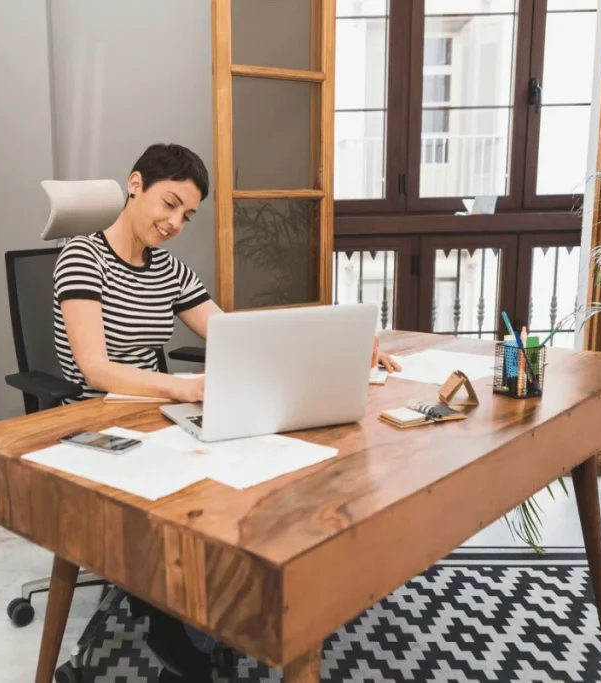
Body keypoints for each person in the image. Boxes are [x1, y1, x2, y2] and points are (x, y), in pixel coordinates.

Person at [51, 142, 399, 681]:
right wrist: (186, 389)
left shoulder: (165, 268)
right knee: (182, 486)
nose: (174, 223)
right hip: (94, 418)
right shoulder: (82, 255)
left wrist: (347, 347)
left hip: (153, 411)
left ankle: (222, 601)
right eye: (168, 204)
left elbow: (237, 336)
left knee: (245, 469)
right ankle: (168, 620)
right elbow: (95, 370)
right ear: (135, 184)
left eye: (186, 215)